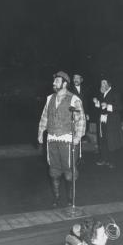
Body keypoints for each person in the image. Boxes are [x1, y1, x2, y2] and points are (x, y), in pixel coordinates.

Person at [38, 71, 86, 207]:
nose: (54, 83)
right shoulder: (49, 98)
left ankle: (71, 199)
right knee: (54, 170)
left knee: (69, 171)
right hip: (52, 139)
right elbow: (44, 117)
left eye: (57, 81)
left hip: (67, 139)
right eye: (54, 81)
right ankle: (56, 198)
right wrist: (41, 132)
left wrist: (77, 137)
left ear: (65, 83)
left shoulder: (74, 99)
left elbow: (80, 119)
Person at [93, 76, 123, 169]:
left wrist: (108, 106)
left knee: (111, 141)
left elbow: (120, 107)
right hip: (102, 120)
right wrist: (97, 102)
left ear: (108, 85)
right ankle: (104, 159)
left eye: (104, 83)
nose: (101, 85)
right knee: (103, 140)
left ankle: (112, 161)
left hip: (112, 121)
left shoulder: (115, 93)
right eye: (101, 83)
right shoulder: (102, 94)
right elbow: (102, 107)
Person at [71, 73, 90, 142]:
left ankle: (79, 151)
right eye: (74, 78)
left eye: (77, 78)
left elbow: (86, 103)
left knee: (82, 133)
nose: (76, 80)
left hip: (83, 115)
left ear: (81, 80)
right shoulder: (69, 89)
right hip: (73, 116)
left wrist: (87, 113)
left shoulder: (85, 89)